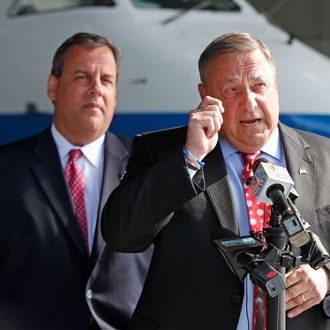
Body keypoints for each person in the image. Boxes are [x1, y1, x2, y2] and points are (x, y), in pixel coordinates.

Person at [101, 32, 330, 329]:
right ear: (206, 95)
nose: (250, 103)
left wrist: (325, 277)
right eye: (232, 90)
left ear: (276, 86)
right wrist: (190, 157)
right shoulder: (163, 154)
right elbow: (122, 235)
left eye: (260, 86)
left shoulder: (325, 157)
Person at [0, 32, 152, 330]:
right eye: (83, 77)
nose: (96, 89)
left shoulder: (148, 166)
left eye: (106, 80)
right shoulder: (6, 169)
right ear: (53, 87)